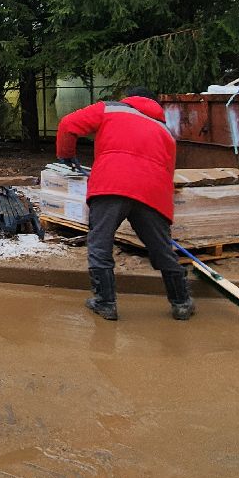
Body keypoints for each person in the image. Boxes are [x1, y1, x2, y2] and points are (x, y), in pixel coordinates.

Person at [55, 87, 194, 322]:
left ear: (129, 99)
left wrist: (66, 155)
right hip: (153, 191)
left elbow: (68, 124)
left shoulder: (110, 109)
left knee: (100, 243)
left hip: (111, 184)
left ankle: (105, 304)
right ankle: (181, 302)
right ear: (155, 104)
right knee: (161, 247)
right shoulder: (165, 132)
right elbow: (168, 172)